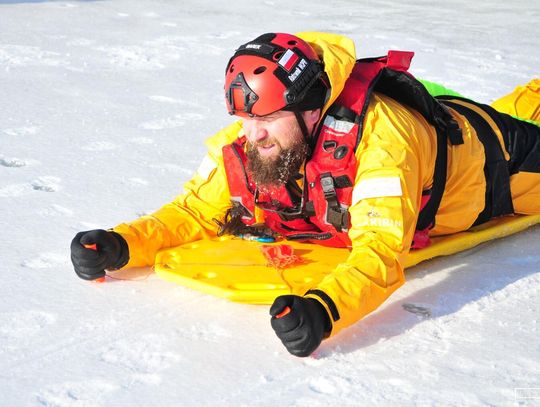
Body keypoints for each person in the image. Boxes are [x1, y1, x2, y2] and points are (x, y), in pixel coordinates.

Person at [70, 32, 540, 357]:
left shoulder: (382, 144)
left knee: (520, 120)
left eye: (267, 119)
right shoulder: (262, 137)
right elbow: (196, 208)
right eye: (245, 119)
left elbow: (380, 251)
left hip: (501, 165)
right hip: (453, 119)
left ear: (313, 109)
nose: (253, 134)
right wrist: (123, 243)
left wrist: (323, 309)